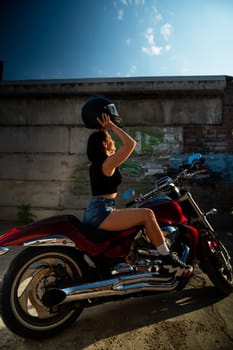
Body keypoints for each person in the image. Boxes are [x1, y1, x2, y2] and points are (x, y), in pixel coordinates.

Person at [83, 107, 193, 278]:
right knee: (147, 214)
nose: (113, 141)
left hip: (100, 210)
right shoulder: (106, 163)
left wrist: (103, 128)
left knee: (139, 219)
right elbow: (131, 144)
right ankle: (168, 260)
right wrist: (111, 127)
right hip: (101, 212)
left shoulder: (99, 164)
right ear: (104, 144)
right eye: (110, 139)